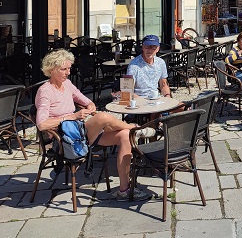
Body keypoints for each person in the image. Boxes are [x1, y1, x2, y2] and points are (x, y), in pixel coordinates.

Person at [35, 49, 154, 201]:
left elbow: (88, 101)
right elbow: (42, 124)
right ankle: (135, 128)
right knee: (103, 117)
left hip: (80, 134)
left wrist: (90, 106)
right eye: (64, 69)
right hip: (65, 142)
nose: (68, 72)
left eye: (69, 68)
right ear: (51, 69)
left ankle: (124, 189)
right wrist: (71, 116)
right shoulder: (45, 91)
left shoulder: (67, 84)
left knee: (124, 135)